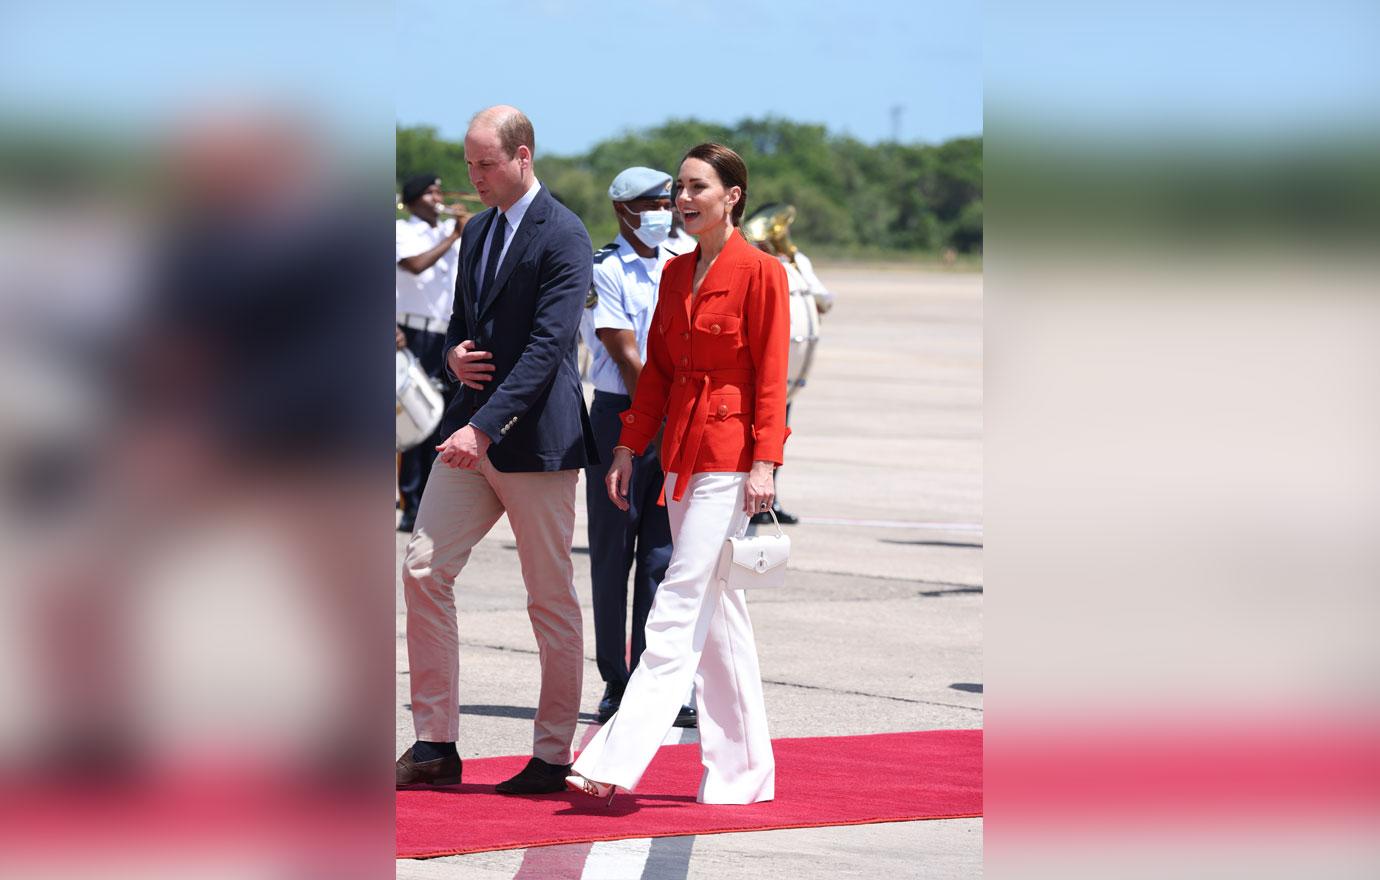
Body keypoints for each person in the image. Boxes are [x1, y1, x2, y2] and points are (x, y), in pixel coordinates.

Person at [565, 143, 789, 806]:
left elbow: (773, 380)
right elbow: (658, 374)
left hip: (729, 458)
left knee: (677, 604)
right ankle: (744, 772)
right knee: (720, 620)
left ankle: (614, 757)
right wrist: (629, 449)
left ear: (733, 196)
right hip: (678, 454)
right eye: (680, 189)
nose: (684, 201)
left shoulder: (761, 272)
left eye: (697, 188)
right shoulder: (676, 273)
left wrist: (766, 463)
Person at [396, 106, 597, 796]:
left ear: (523, 157)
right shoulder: (477, 229)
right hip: (469, 431)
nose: (474, 177)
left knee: (549, 599)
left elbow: (549, 347)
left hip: (535, 441)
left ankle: (550, 754)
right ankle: (434, 743)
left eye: (486, 164)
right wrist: (452, 356)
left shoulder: (565, 234)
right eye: (469, 164)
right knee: (423, 569)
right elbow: (462, 323)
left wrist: (484, 427)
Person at [583, 166, 696, 728]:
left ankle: (657, 682)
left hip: (672, 419)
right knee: (612, 555)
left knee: (660, 557)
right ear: (623, 210)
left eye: (667, 201)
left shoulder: (683, 263)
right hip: (620, 419)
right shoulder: (605, 269)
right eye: (652, 202)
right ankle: (614, 681)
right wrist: (658, 416)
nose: (664, 211)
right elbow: (625, 353)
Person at [742, 203, 834, 525]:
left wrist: (796, 265)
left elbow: (825, 301)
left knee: (776, 437)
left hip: (788, 372)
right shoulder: (754, 264)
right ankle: (750, 503)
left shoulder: (799, 263)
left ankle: (769, 499)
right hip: (761, 369)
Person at [396, 173, 468, 532]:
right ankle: (410, 501)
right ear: (412, 200)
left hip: (444, 331)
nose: (438, 196)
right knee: (412, 418)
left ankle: (432, 502)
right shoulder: (402, 231)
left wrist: (466, 232)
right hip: (410, 331)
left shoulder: (449, 232)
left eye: (439, 189)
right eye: (429, 191)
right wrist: (453, 236)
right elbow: (414, 265)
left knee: (441, 420)